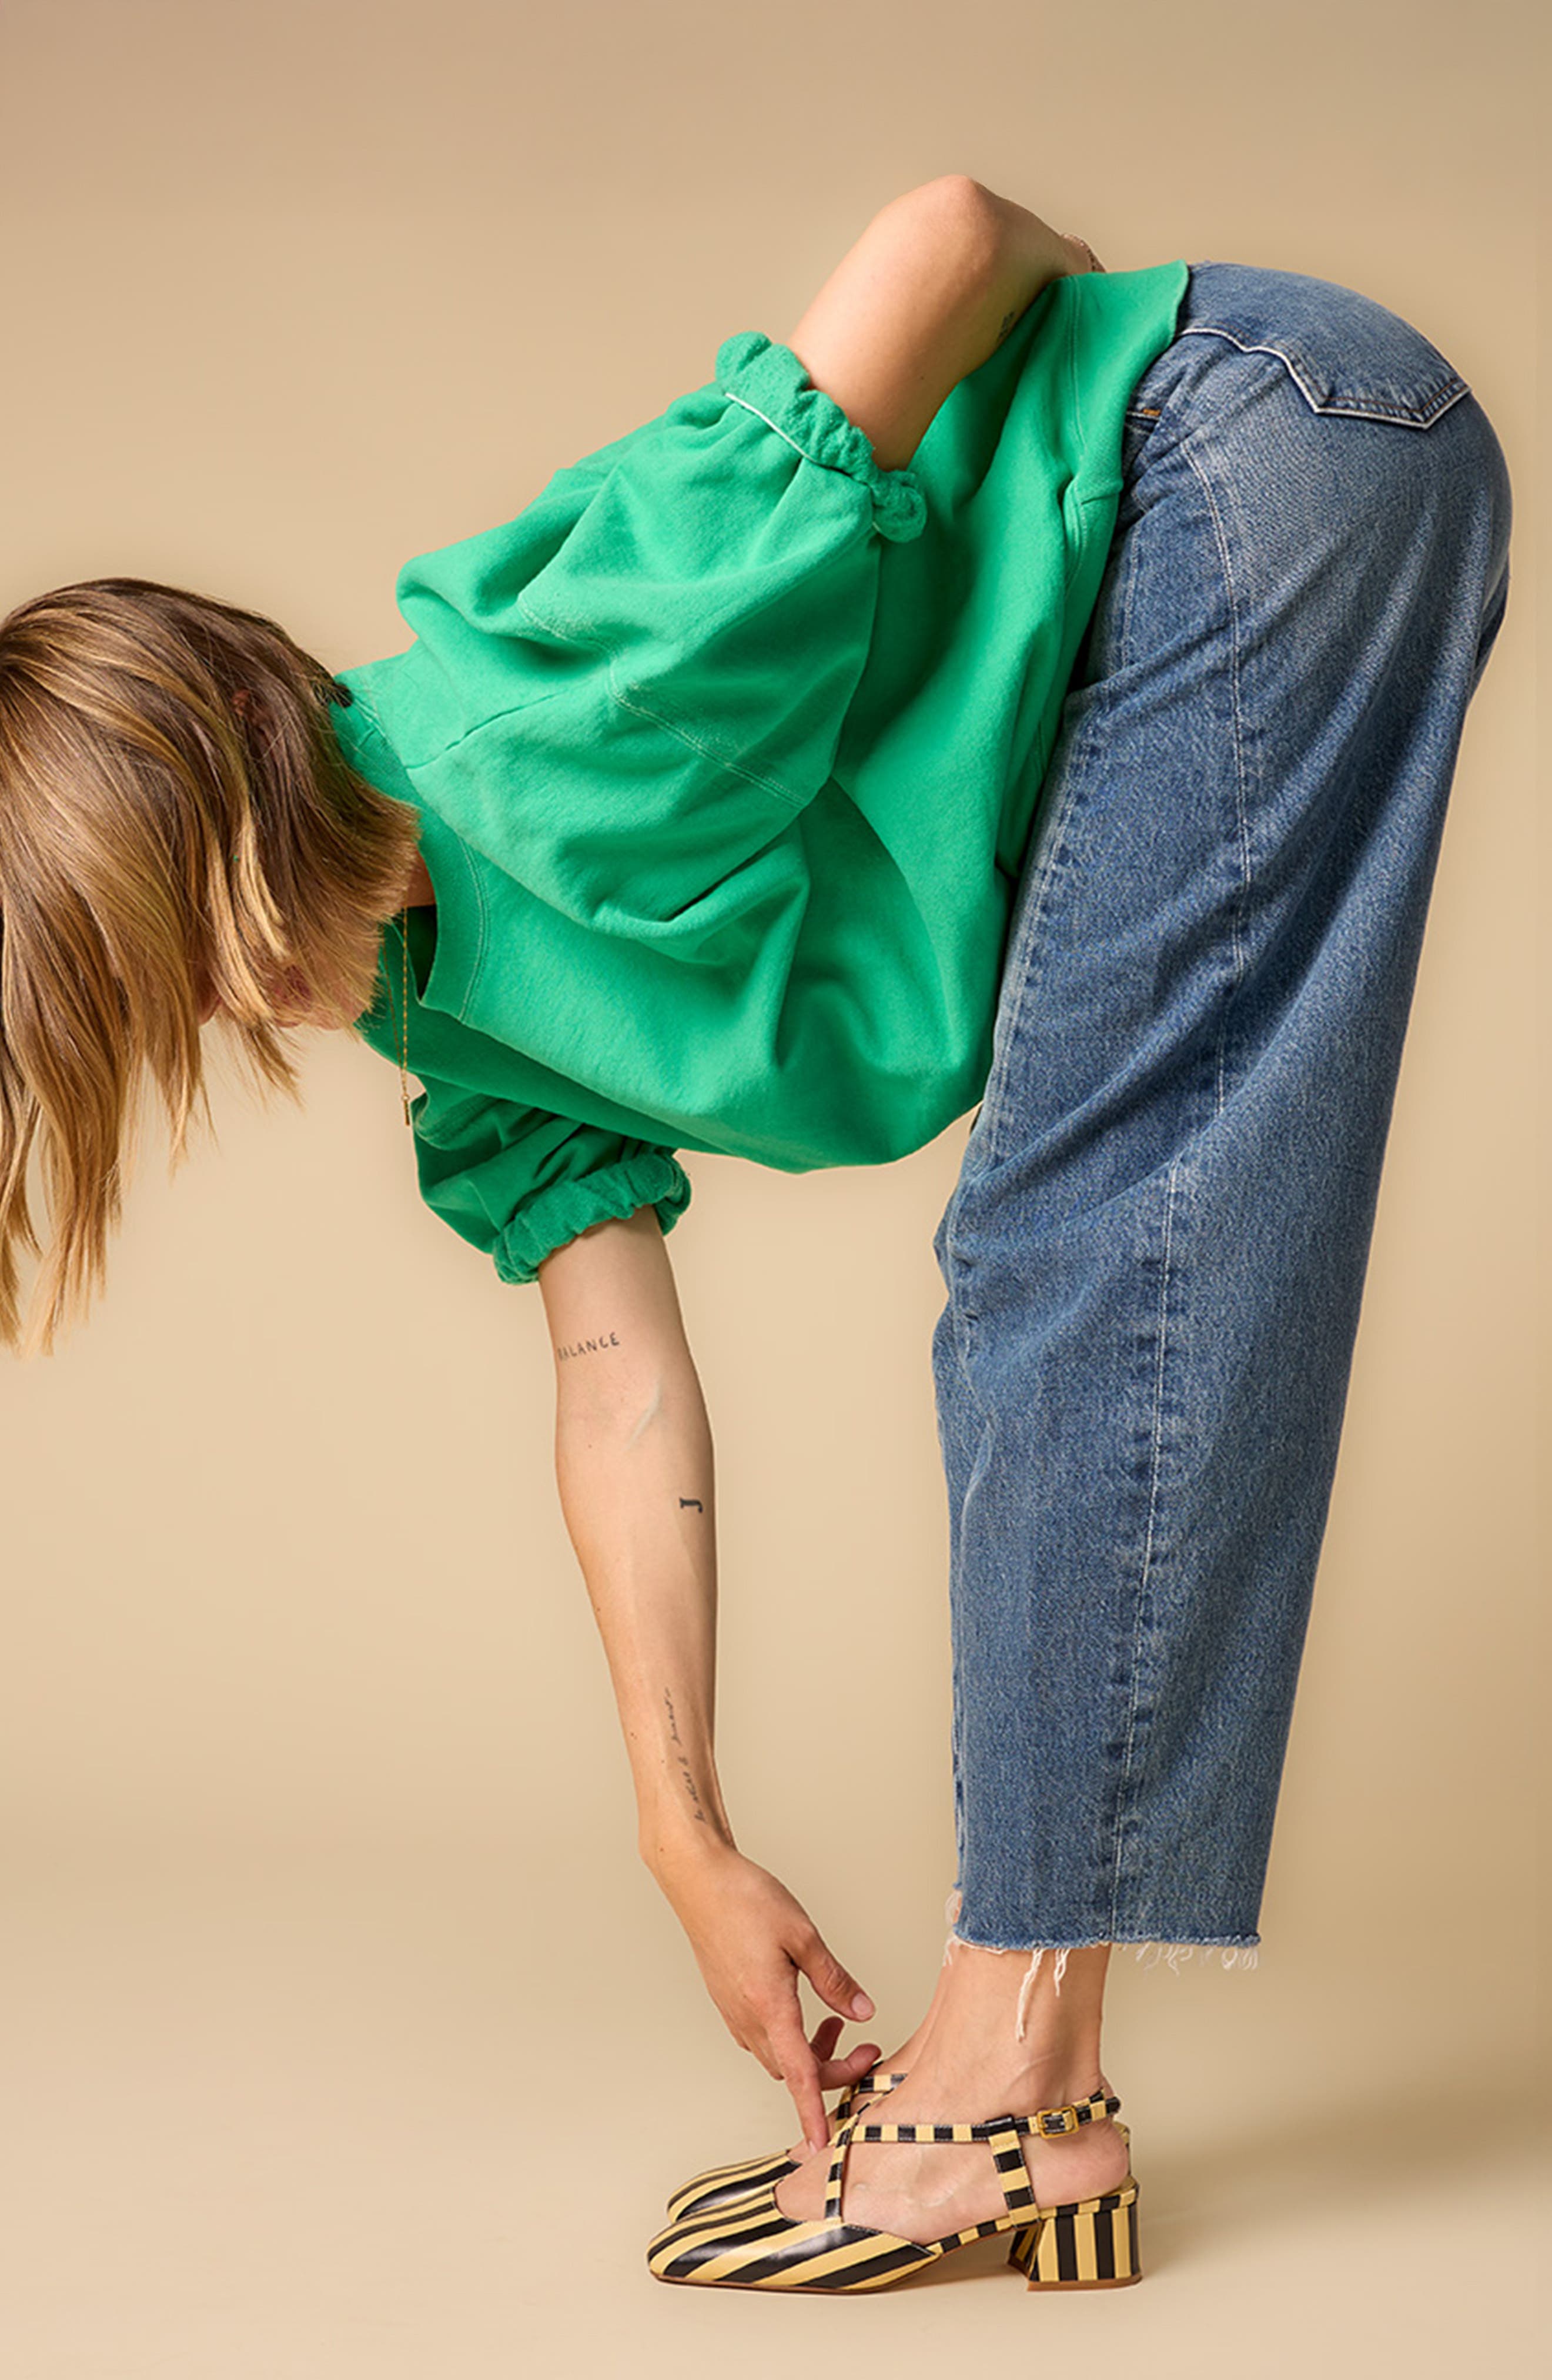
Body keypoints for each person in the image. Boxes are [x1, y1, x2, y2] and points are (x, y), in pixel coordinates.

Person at [0, 178, 1512, 2297]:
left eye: (183, 938)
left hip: (1264, 433)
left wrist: (1079, 375)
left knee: (1080, 1238)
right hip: (1244, 492)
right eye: (162, 1005)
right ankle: (1047, 2106)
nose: (225, 1003)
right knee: (1088, 1231)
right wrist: (684, 1834)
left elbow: (949, 231)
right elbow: (618, 1384)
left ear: (227, 784)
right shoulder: (455, 1034)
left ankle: (1000, 2078)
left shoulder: (565, 694)